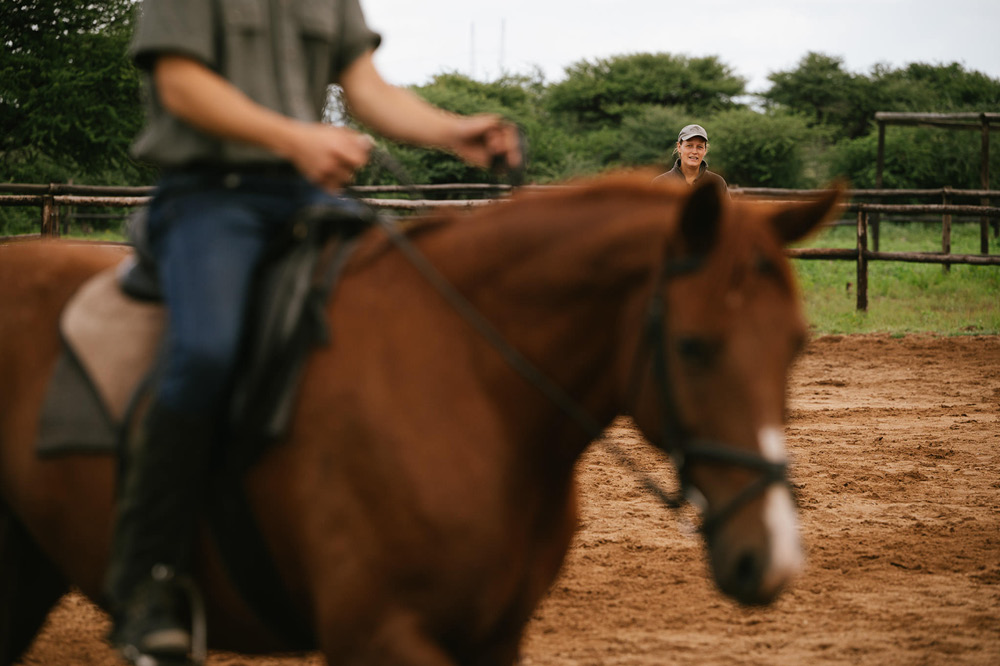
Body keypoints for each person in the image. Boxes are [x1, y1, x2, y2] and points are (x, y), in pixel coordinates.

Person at [106, 2, 522, 665]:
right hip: (210, 196)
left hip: (306, 196)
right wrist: (293, 137)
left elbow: (366, 87)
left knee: (403, 318)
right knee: (207, 353)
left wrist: (454, 130)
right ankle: (148, 579)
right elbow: (179, 82)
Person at [653, 124, 729, 194]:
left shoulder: (718, 183)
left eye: (699, 147)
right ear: (679, 147)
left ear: (705, 150)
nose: (694, 151)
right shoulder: (660, 183)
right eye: (689, 146)